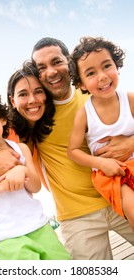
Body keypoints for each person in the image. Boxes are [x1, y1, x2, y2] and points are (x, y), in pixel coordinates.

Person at [0, 38, 134, 260]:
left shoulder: (96, 94)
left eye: (56, 62)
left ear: (70, 63)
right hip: (77, 215)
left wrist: (130, 142)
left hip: (121, 194)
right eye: (42, 68)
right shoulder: (28, 121)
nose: (51, 72)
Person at [0, 87, 70, 260]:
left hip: (38, 226)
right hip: (3, 237)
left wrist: (22, 169)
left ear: (3, 118)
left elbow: (35, 186)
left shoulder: (21, 149)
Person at [67, 36, 134, 230]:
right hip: (112, 174)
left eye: (107, 66)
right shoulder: (84, 114)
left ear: (116, 65)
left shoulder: (129, 99)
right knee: (131, 207)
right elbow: (73, 151)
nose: (102, 76)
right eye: (91, 73)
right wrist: (101, 162)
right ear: (81, 84)